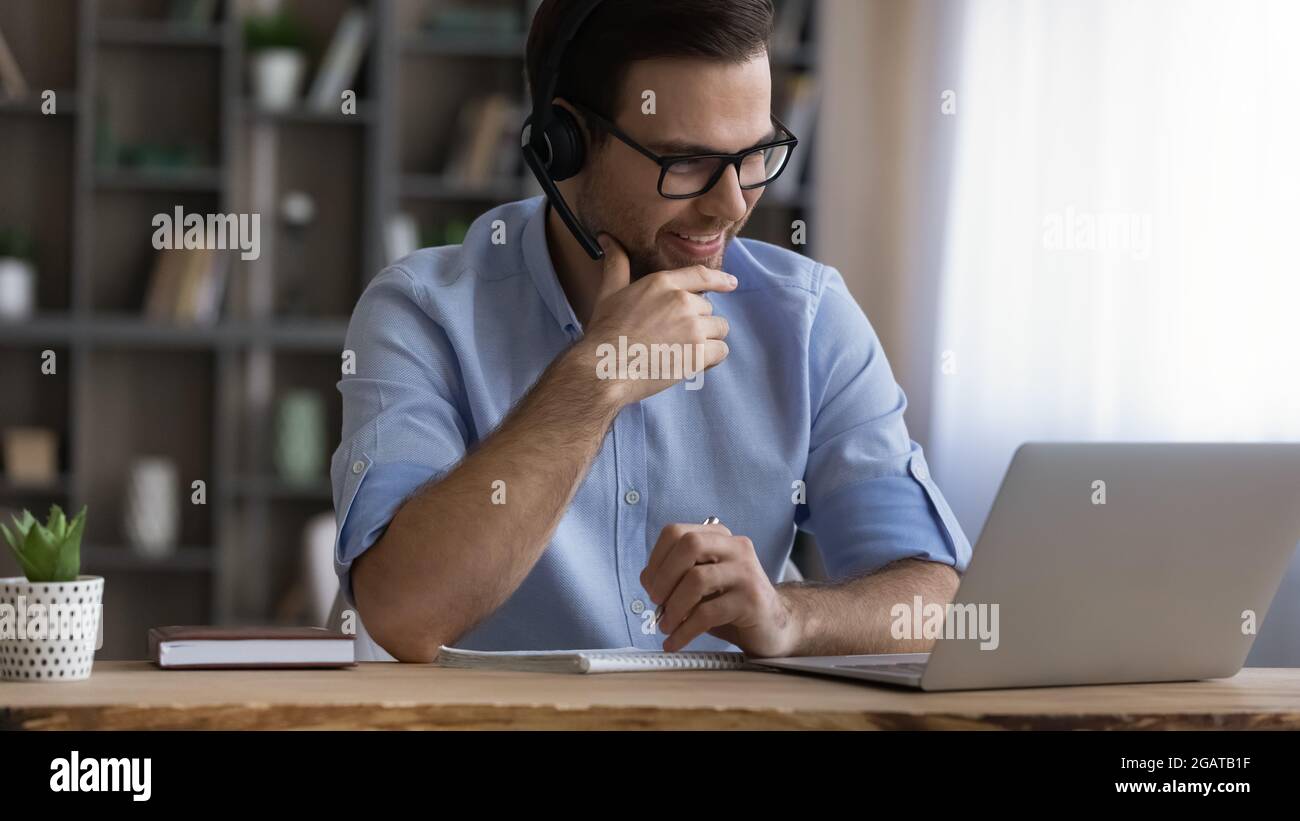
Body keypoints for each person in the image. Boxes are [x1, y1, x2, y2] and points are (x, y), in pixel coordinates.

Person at [331, 0, 971, 662]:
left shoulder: (808, 320)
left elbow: (939, 599)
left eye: (753, 155)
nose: (730, 205)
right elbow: (401, 614)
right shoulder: (423, 312)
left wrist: (789, 616)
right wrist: (594, 378)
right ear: (564, 142)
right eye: (686, 161)